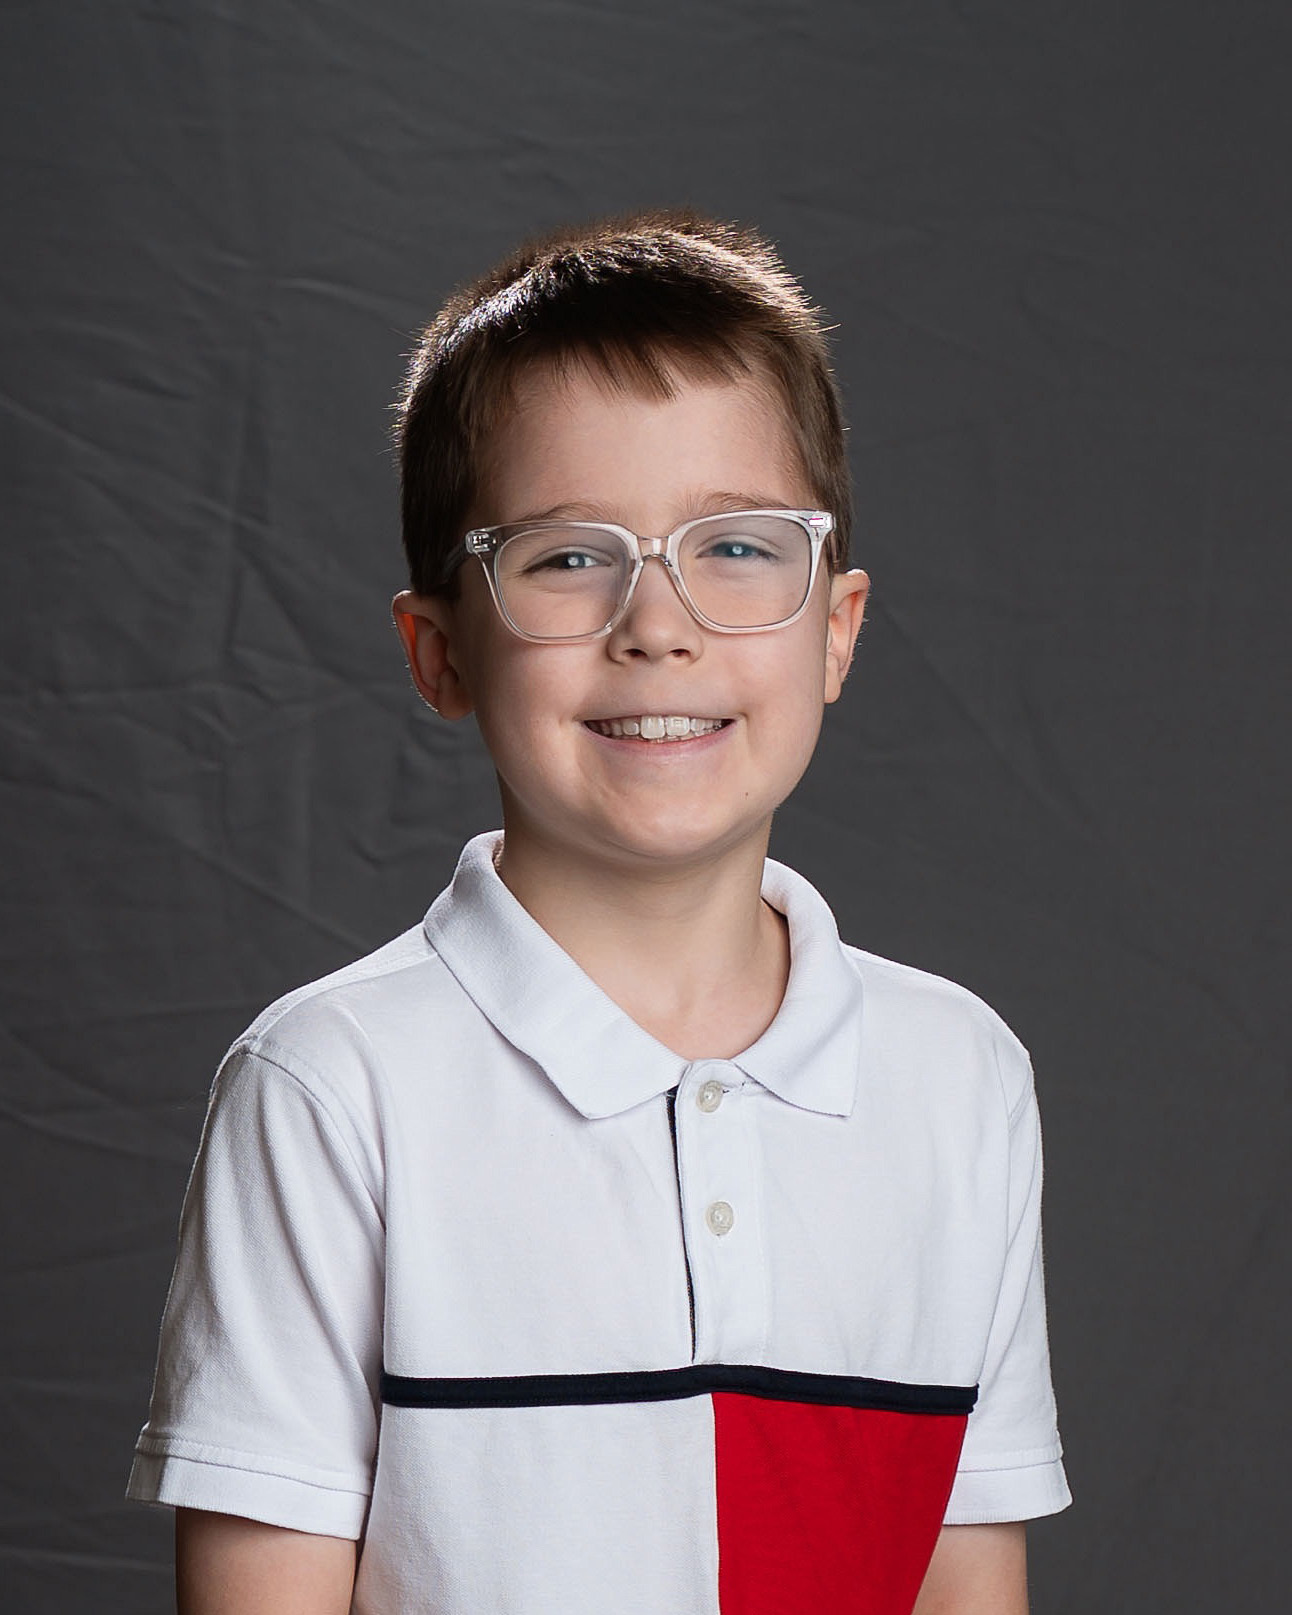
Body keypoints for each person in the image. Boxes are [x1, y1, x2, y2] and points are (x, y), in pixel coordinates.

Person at [128, 211, 1070, 1614]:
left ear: (837, 629)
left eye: (737, 546)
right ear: (440, 653)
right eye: (568, 558)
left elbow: (964, 1573)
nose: (658, 625)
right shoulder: (330, 1088)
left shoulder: (958, 1079)